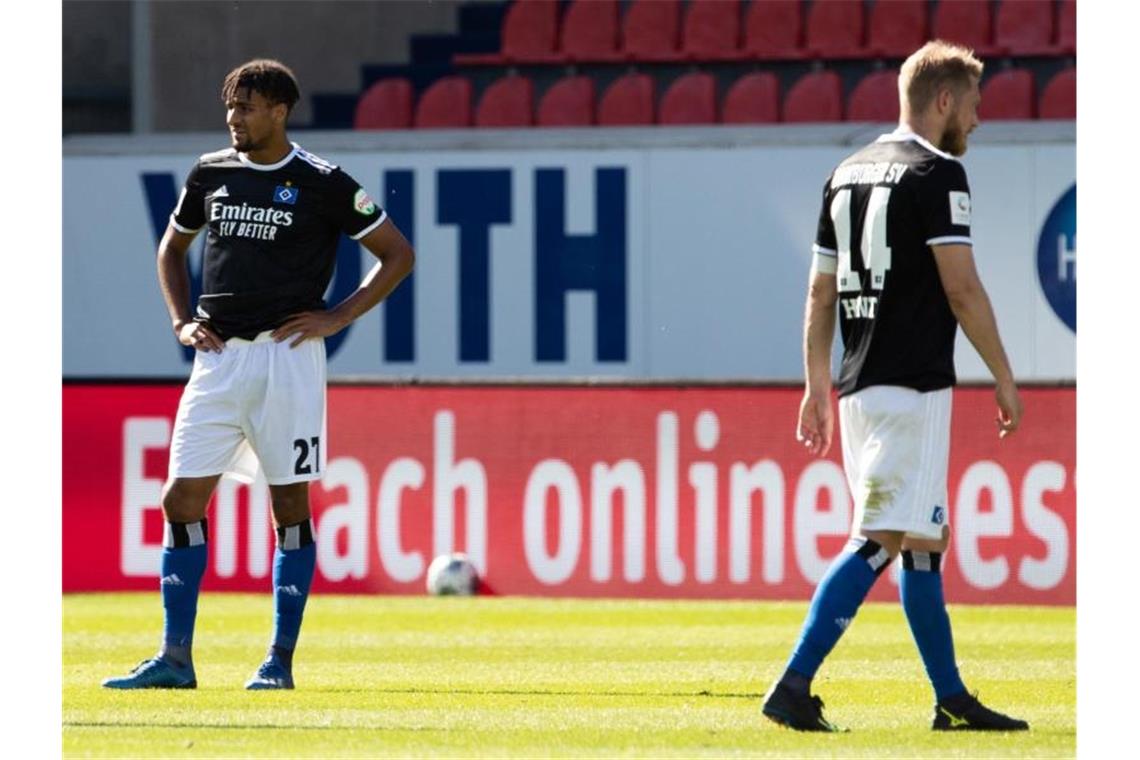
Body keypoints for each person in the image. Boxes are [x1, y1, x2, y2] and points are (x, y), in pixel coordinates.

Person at [103, 59, 414, 690]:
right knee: (179, 499)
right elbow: (172, 247)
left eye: (246, 107)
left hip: (285, 357)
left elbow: (397, 254)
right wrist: (181, 320)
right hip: (217, 359)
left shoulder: (323, 182)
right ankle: (175, 658)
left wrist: (338, 316)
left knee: (288, 504)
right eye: (230, 107)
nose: (234, 119)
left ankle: (278, 661)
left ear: (279, 110)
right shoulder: (210, 172)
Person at [761, 41, 1029, 732]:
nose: (978, 119)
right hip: (910, 386)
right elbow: (962, 289)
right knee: (878, 539)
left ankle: (952, 700)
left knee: (923, 543)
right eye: (972, 105)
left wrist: (816, 384)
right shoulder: (938, 175)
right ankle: (793, 684)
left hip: (861, 385)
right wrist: (1003, 373)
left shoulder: (846, 171)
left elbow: (820, 291)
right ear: (943, 101)